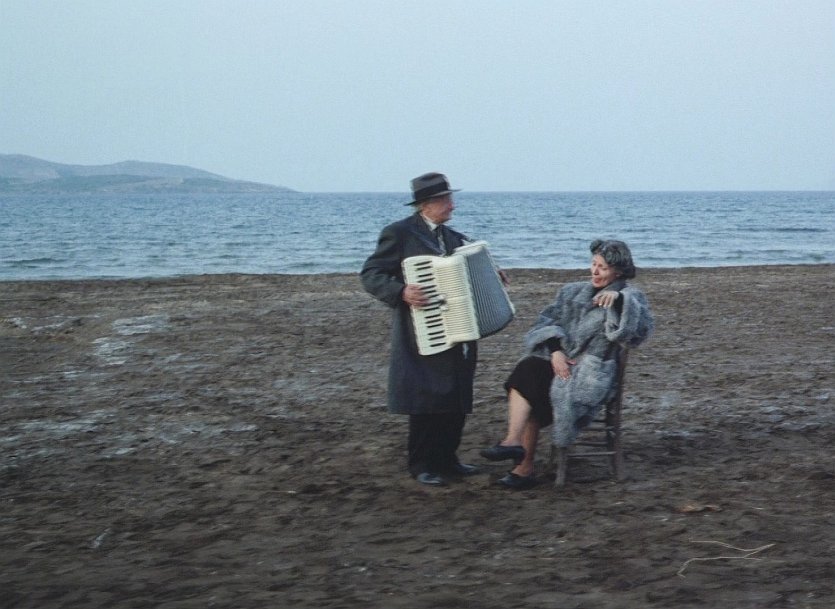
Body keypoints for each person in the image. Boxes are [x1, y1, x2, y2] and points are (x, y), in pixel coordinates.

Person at [361, 172, 503, 486]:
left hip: (458, 329)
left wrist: (493, 274)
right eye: (445, 199)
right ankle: (421, 464)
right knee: (425, 398)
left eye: (450, 198)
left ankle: (448, 459)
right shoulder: (399, 233)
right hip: (420, 328)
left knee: (456, 396)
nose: (452, 205)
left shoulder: (455, 238)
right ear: (425, 204)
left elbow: (472, 271)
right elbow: (371, 274)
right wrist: (401, 291)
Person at [481, 239, 653, 489]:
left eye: (603, 268)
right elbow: (546, 322)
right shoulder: (572, 291)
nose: (595, 272)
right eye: (593, 264)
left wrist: (618, 299)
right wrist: (555, 352)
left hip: (591, 374)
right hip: (560, 362)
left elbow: (636, 332)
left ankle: (522, 465)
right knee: (528, 370)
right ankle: (513, 443)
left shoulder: (630, 297)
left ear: (619, 271)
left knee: (532, 386)